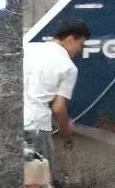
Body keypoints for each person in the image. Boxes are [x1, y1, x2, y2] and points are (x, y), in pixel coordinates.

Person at [23, 18, 89, 164]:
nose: (79, 50)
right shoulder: (68, 67)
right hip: (36, 125)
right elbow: (58, 108)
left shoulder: (27, 48)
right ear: (70, 39)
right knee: (39, 175)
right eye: (81, 44)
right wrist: (67, 130)